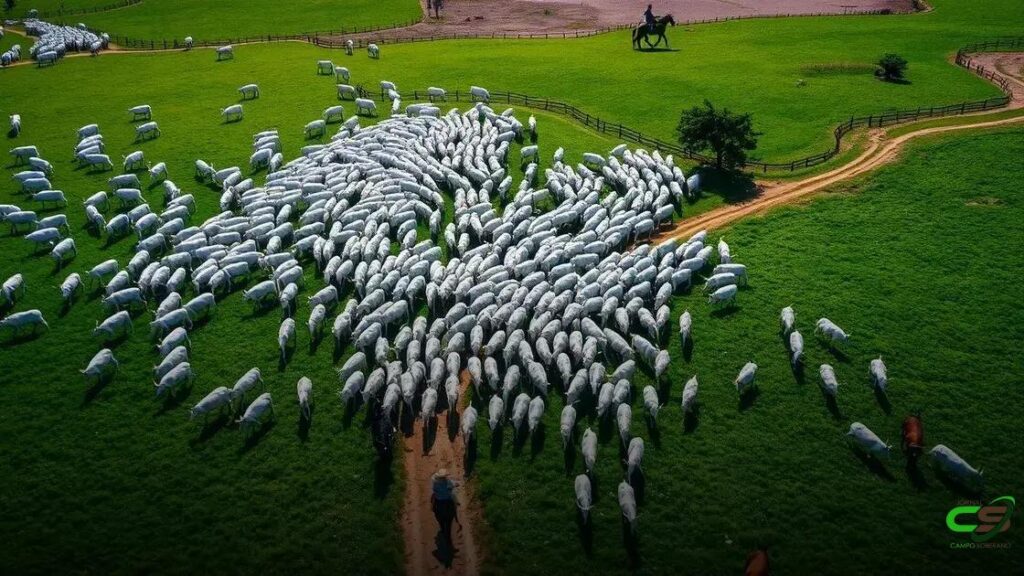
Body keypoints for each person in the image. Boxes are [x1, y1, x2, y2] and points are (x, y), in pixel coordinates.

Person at [431, 468, 459, 545]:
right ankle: (455, 515)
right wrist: (456, 485)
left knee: (433, 501)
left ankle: (433, 509)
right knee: (454, 500)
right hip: (447, 500)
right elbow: (453, 486)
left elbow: (434, 490)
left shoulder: (435, 483)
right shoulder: (448, 481)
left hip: (439, 501)